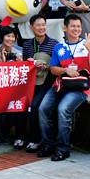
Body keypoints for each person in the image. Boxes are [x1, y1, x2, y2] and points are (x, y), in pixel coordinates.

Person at [38, 14, 90, 161]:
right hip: (61, 85)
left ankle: (63, 148)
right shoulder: (59, 47)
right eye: (73, 26)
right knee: (43, 108)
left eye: (78, 26)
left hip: (80, 87)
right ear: (65, 28)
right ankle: (48, 144)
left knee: (63, 109)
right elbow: (53, 69)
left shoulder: (89, 45)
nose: (76, 29)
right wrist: (66, 70)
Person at [21, 14, 58, 153]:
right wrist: (29, 62)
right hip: (30, 83)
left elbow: (57, 65)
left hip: (47, 82)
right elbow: (24, 66)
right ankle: (22, 136)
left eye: (43, 25)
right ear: (31, 27)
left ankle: (36, 139)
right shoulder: (27, 44)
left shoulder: (54, 44)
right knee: (23, 105)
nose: (41, 28)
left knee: (36, 105)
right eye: (38, 25)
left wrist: (46, 66)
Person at [0, 26, 22, 147]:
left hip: (15, 88)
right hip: (0, 87)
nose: (10, 39)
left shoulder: (19, 51)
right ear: (2, 37)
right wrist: (3, 60)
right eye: (7, 36)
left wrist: (20, 62)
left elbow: (23, 70)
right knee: (2, 112)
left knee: (12, 113)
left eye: (12, 36)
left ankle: (6, 134)